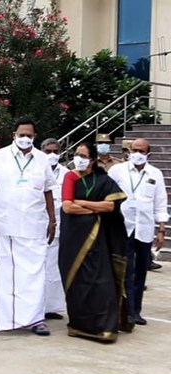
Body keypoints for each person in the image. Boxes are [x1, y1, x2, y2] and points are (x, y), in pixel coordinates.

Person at [0, 118, 56, 336]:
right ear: (14, 134)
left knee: (34, 273)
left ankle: (36, 319)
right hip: (6, 224)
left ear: (34, 137)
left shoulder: (42, 159)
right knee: (8, 273)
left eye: (29, 135)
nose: (25, 138)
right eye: (21, 134)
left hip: (35, 224)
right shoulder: (1, 156)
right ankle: (8, 319)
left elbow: (48, 190)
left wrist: (52, 220)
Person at [59, 142, 131, 342]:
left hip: (100, 241)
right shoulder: (70, 177)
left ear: (92, 160)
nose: (79, 158)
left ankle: (103, 327)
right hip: (74, 240)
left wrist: (82, 203)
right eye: (76, 154)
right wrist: (93, 210)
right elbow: (67, 207)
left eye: (83, 155)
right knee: (77, 282)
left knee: (100, 282)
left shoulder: (102, 180)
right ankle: (79, 326)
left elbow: (109, 206)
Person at [107, 138, 168, 326]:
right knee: (124, 270)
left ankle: (136, 311)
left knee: (140, 271)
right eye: (134, 150)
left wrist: (161, 229)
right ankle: (124, 310)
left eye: (141, 151)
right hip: (122, 227)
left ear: (148, 153)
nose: (137, 154)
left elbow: (160, 202)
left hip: (144, 228)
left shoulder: (155, 174)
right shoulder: (117, 171)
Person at [41, 138, 69, 320]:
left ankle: (51, 306)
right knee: (37, 269)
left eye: (55, 151)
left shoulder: (67, 173)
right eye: (48, 151)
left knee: (54, 269)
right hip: (37, 225)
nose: (52, 154)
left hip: (58, 226)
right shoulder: (35, 170)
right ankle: (36, 307)